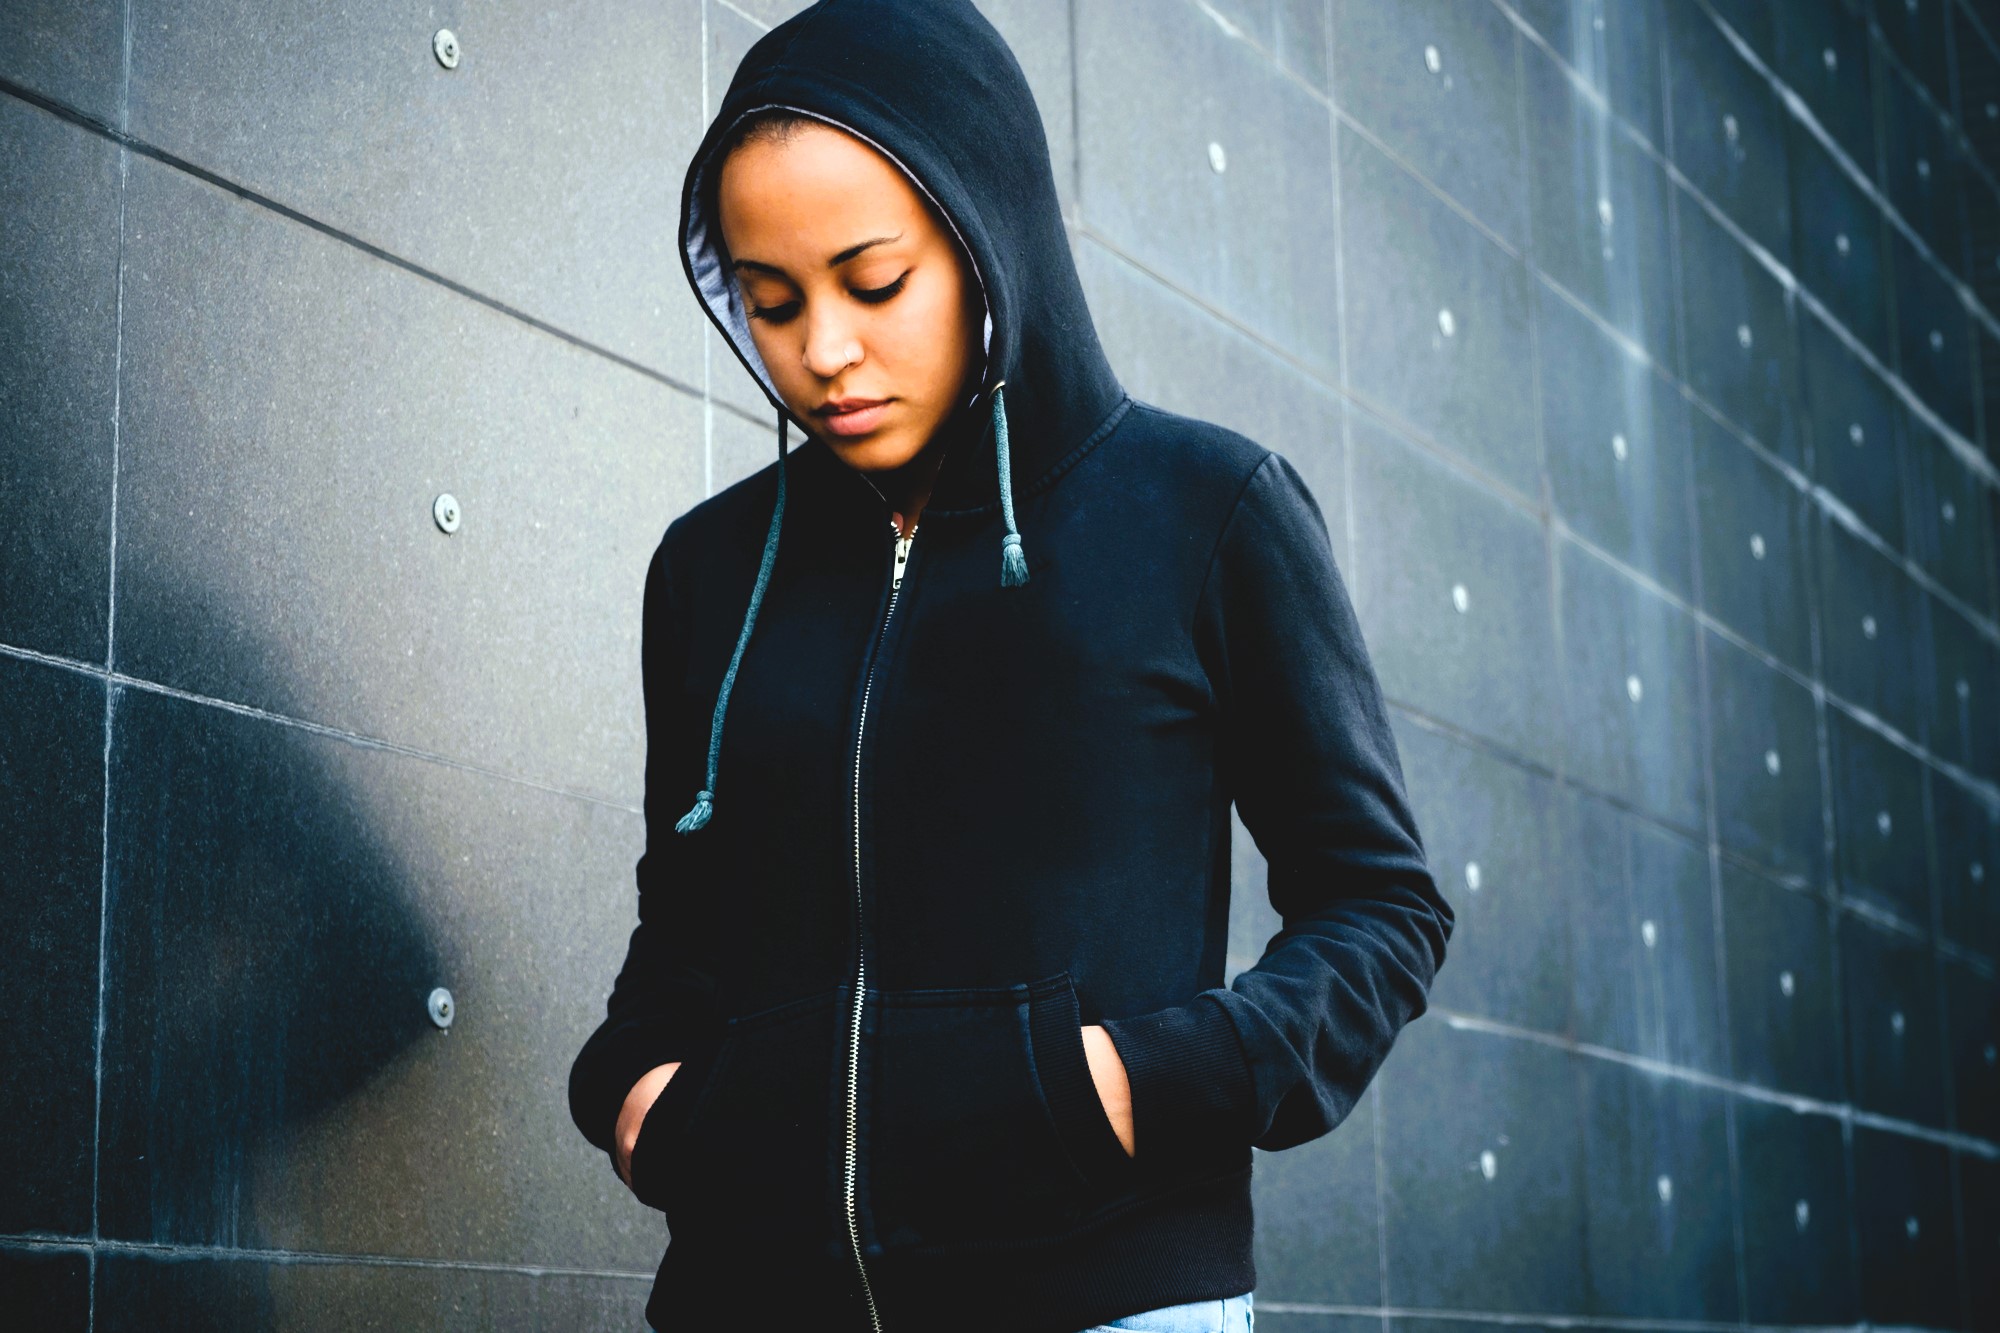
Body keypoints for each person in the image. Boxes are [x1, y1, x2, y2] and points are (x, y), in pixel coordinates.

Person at [566, 3, 1454, 1331]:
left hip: (1099, 1293)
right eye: (771, 300)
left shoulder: (1204, 512)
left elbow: (1379, 904)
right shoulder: (712, 571)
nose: (823, 350)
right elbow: (685, 925)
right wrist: (641, 1097)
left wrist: (1128, 1085)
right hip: (752, 1300)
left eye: (875, 283)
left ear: (994, 238)